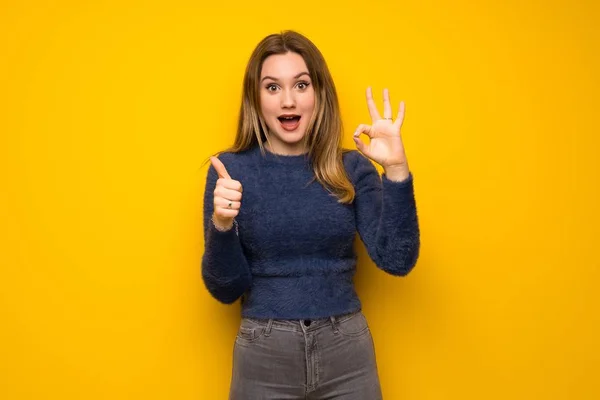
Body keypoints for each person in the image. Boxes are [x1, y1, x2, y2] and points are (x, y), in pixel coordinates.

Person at [201, 30, 420, 400]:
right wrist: (222, 226)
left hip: (346, 352)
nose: (288, 100)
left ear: (319, 92)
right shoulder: (230, 171)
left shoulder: (350, 167)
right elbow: (224, 288)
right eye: (272, 87)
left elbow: (397, 259)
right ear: (256, 98)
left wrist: (397, 171)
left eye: (301, 85)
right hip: (263, 352)